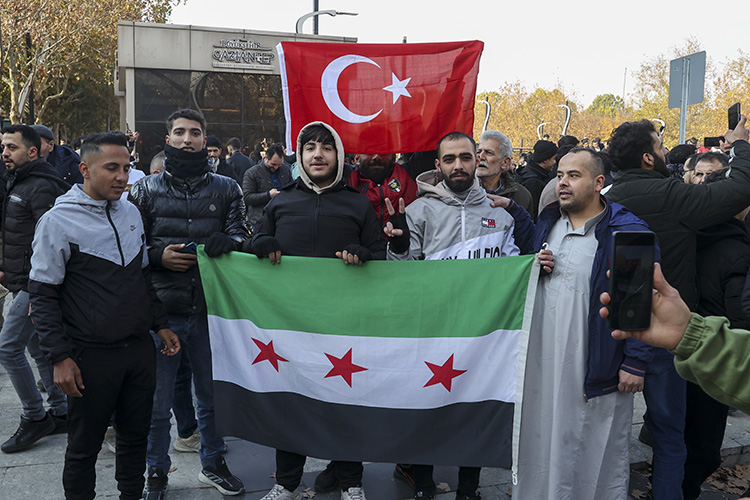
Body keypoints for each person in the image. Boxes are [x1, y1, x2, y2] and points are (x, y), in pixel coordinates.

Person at [28, 131, 180, 500]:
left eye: (127, 167)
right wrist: (59, 358)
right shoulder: (57, 221)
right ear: (85, 169)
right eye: (111, 168)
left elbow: (142, 276)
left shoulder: (130, 211)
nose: (122, 177)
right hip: (89, 356)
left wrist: (159, 324)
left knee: (134, 439)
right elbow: (43, 296)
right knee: (84, 448)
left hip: (138, 352)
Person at [605, 115, 750, 500]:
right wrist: (739, 145)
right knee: (672, 435)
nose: (666, 150)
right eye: (660, 144)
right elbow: (741, 189)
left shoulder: (606, 201)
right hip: (667, 335)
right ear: (648, 159)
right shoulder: (673, 197)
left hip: (610, 332)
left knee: (603, 431)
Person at [248, 121, 385, 500]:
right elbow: (254, 242)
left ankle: (351, 482)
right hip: (289, 326)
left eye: (326, 147)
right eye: (310, 147)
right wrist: (261, 243)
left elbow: (382, 257)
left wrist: (365, 256)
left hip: (343, 326)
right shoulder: (281, 201)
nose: (318, 154)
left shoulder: (358, 203)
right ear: (300, 155)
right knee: (291, 403)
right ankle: (287, 482)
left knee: (345, 405)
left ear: (339, 155)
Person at [509, 147, 654, 500]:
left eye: (574, 175)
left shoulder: (627, 231)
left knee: (591, 451)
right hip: (543, 365)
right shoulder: (548, 221)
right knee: (541, 443)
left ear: (598, 182)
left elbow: (641, 300)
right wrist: (534, 262)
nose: (563, 183)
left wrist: (635, 361)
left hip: (595, 367)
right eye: (559, 175)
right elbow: (527, 262)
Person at [384, 131, 522, 500]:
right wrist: (397, 247)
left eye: (465, 157)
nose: (458, 165)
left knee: (473, 410)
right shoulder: (416, 211)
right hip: (431, 330)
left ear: (476, 160)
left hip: (482, 335)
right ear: (438, 165)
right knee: (429, 408)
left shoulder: (499, 213)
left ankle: (469, 489)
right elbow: (400, 274)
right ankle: (423, 485)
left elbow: (512, 269)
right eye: (449, 159)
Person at [129, 108, 249, 499]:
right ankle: (157, 474)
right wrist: (156, 255)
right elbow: (126, 247)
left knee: (212, 399)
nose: (187, 139)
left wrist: (229, 242)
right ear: (168, 139)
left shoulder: (228, 188)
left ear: (204, 139)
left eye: (194, 132)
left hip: (212, 311)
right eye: (179, 132)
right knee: (158, 404)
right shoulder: (144, 189)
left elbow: (242, 234)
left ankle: (213, 464)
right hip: (161, 313)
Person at [0, 124, 70, 453]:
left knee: (8, 347)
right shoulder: (20, 181)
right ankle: (60, 412)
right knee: (37, 348)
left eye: (11, 147)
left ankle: (35, 416)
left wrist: (38, 294)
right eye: (3, 147)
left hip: (34, 286)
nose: (4, 153)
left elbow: (49, 244)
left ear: (33, 151)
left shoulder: (41, 186)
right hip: (21, 281)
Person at [681, 166, 750, 499]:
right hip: (714, 355)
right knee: (703, 443)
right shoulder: (738, 252)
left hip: (680, 346)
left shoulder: (683, 235)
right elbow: (741, 319)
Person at [346, 152, 418, 228]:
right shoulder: (347, 178)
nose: (376, 157)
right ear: (357, 158)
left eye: (383, 152)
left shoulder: (409, 173)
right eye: (369, 151)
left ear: (394, 157)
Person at [476, 131, 533, 213]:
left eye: (489, 153)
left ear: (505, 162)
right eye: (479, 152)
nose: (480, 157)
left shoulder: (521, 196)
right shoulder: (459, 190)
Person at [242, 144, 293, 231]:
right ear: (266, 158)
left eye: (279, 165)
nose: (276, 167)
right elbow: (247, 198)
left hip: (281, 218)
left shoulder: (286, 169)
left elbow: (291, 189)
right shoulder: (251, 173)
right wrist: (268, 195)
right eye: (273, 164)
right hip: (260, 220)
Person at [516, 139, 557, 218]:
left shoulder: (525, 173)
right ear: (545, 160)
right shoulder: (534, 182)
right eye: (554, 159)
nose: (555, 162)